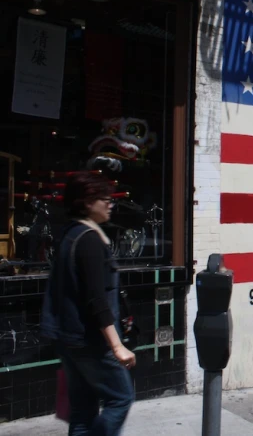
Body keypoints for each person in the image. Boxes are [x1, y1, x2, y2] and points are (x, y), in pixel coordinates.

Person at [40, 172, 136, 435]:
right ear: (85, 202)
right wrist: (117, 347)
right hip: (91, 339)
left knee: (82, 410)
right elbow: (96, 299)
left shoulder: (69, 234)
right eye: (103, 198)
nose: (110, 203)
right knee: (121, 398)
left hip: (68, 337)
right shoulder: (89, 240)